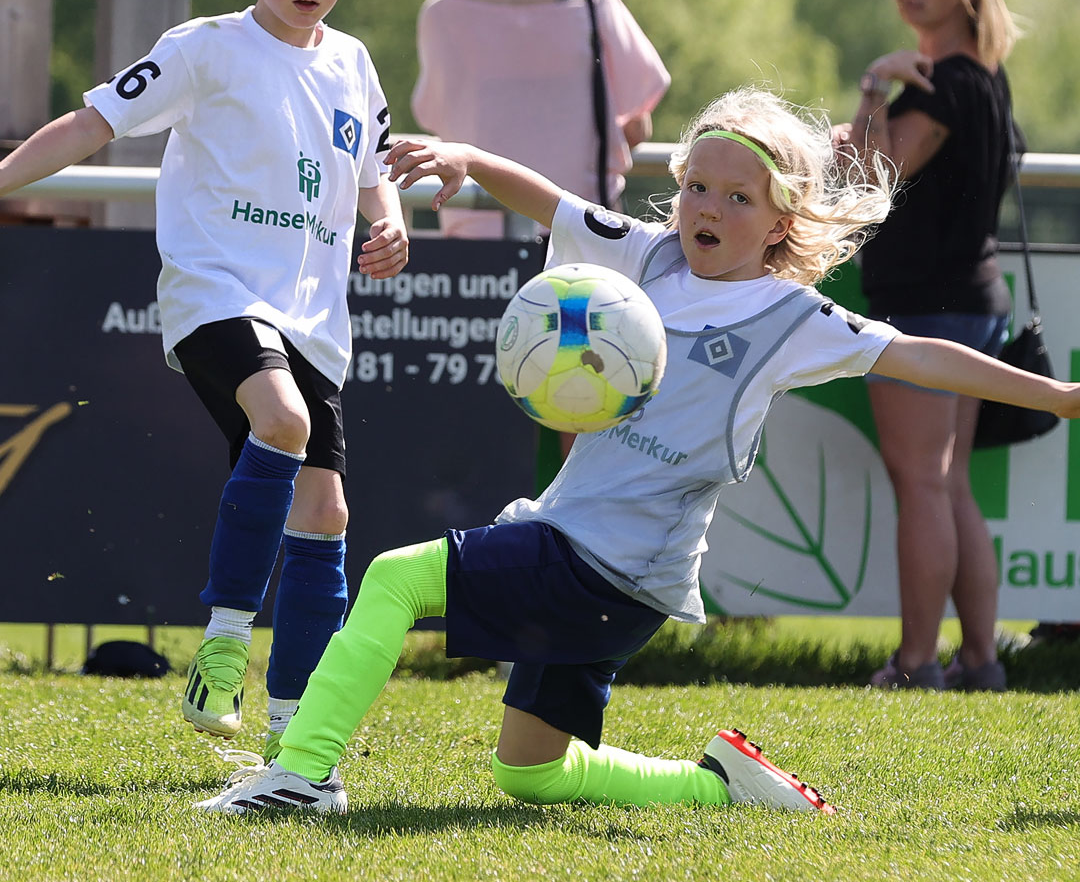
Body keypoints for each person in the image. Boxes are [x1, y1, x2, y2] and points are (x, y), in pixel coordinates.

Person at [194, 86, 1080, 817]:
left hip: (604, 563)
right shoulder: (647, 257)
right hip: (613, 573)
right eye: (698, 186)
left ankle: (303, 777)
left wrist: (1060, 396)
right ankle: (723, 788)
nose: (710, 208)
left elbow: (923, 357)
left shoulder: (790, 318)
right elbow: (553, 203)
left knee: (393, 577)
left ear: (780, 225)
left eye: (740, 199)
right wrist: (468, 161)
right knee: (530, 773)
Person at [0, 0, 408, 756]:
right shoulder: (203, 47)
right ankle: (222, 648)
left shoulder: (355, 63)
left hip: (314, 319)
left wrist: (392, 225)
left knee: (328, 516)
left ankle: (292, 739)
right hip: (215, 293)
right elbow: (91, 123)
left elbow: (375, 174)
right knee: (283, 416)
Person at [835, 0, 1021, 691]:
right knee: (947, 487)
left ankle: (915, 664)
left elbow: (870, 178)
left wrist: (874, 89)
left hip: (926, 306)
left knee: (921, 484)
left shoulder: (939, 80)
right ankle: (980, 660)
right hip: (971, 298)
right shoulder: (984, 74)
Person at [410, 0, 670, 240]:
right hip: (581, 235)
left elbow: (438, 120)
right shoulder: (592, 5)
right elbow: (636, 127)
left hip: (476, 239)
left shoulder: (441, 16)